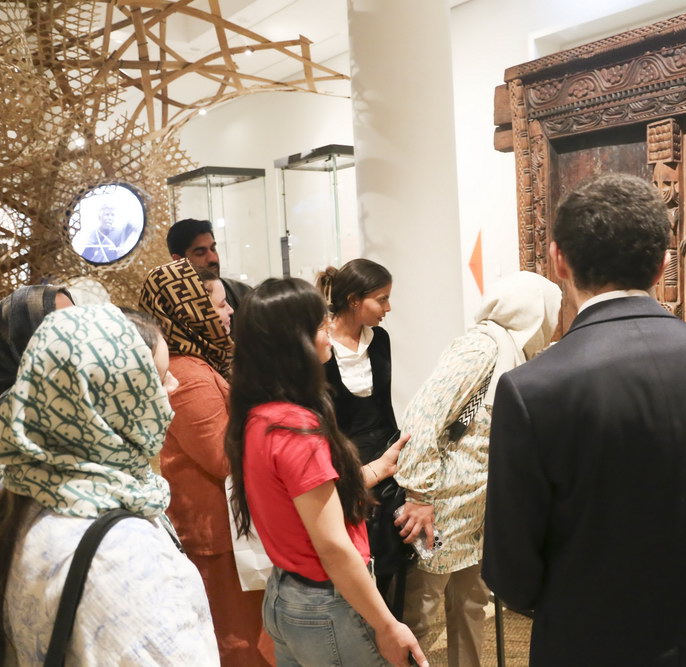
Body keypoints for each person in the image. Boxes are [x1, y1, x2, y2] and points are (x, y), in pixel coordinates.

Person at [482, 173, 686, 665]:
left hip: (588, 647)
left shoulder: (532, 389)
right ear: (663, 263)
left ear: (558, 259)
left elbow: (511, 574)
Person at [0, 304, 218, 666]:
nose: (174, 386)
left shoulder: (21, 487)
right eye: (158, 379)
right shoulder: (124, 553)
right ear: (114, 403)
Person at [225, 277, 426, 667]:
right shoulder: (296, 429)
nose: (330, 331)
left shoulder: (258, 416)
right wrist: (387, 625)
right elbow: (333, 546)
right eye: (321, 325)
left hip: (287, 592)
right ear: (294, 342)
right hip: (327, 601)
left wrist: (378, 468)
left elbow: (309, 501)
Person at [395, 270, 561, 666]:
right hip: (437, 512)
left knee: (471, 604)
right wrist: (418, 495)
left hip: (475, 514)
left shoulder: (512, 353)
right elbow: (423, 416)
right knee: (423, 608)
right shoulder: (480, 348)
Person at [139, 258, 269, 666]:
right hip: (215, 530)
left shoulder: (199, 363)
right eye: (217, 305)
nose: (229, 311)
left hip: (223, 525)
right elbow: (222, 457)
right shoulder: (189, 375)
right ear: (190, 311)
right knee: (238, 640)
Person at [315, 259, 408, 613]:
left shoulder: (379, 339)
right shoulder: (321, 345)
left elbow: (384, 406)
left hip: (387, 458)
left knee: (391, 562)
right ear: (354, 300)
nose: (388, 308)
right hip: (345, 463)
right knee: (355, 562)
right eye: (381, 299)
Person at [0, 285, 75, 501]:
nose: (79, 331)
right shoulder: (18, 415)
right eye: (62, 325)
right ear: (24, 339)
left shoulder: (75, 392)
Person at [167, 218, 253, 314]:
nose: (213, 259)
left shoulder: (243, 294)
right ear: (178, 260)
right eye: (200, 253)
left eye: (213, 249)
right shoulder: (167, 308)